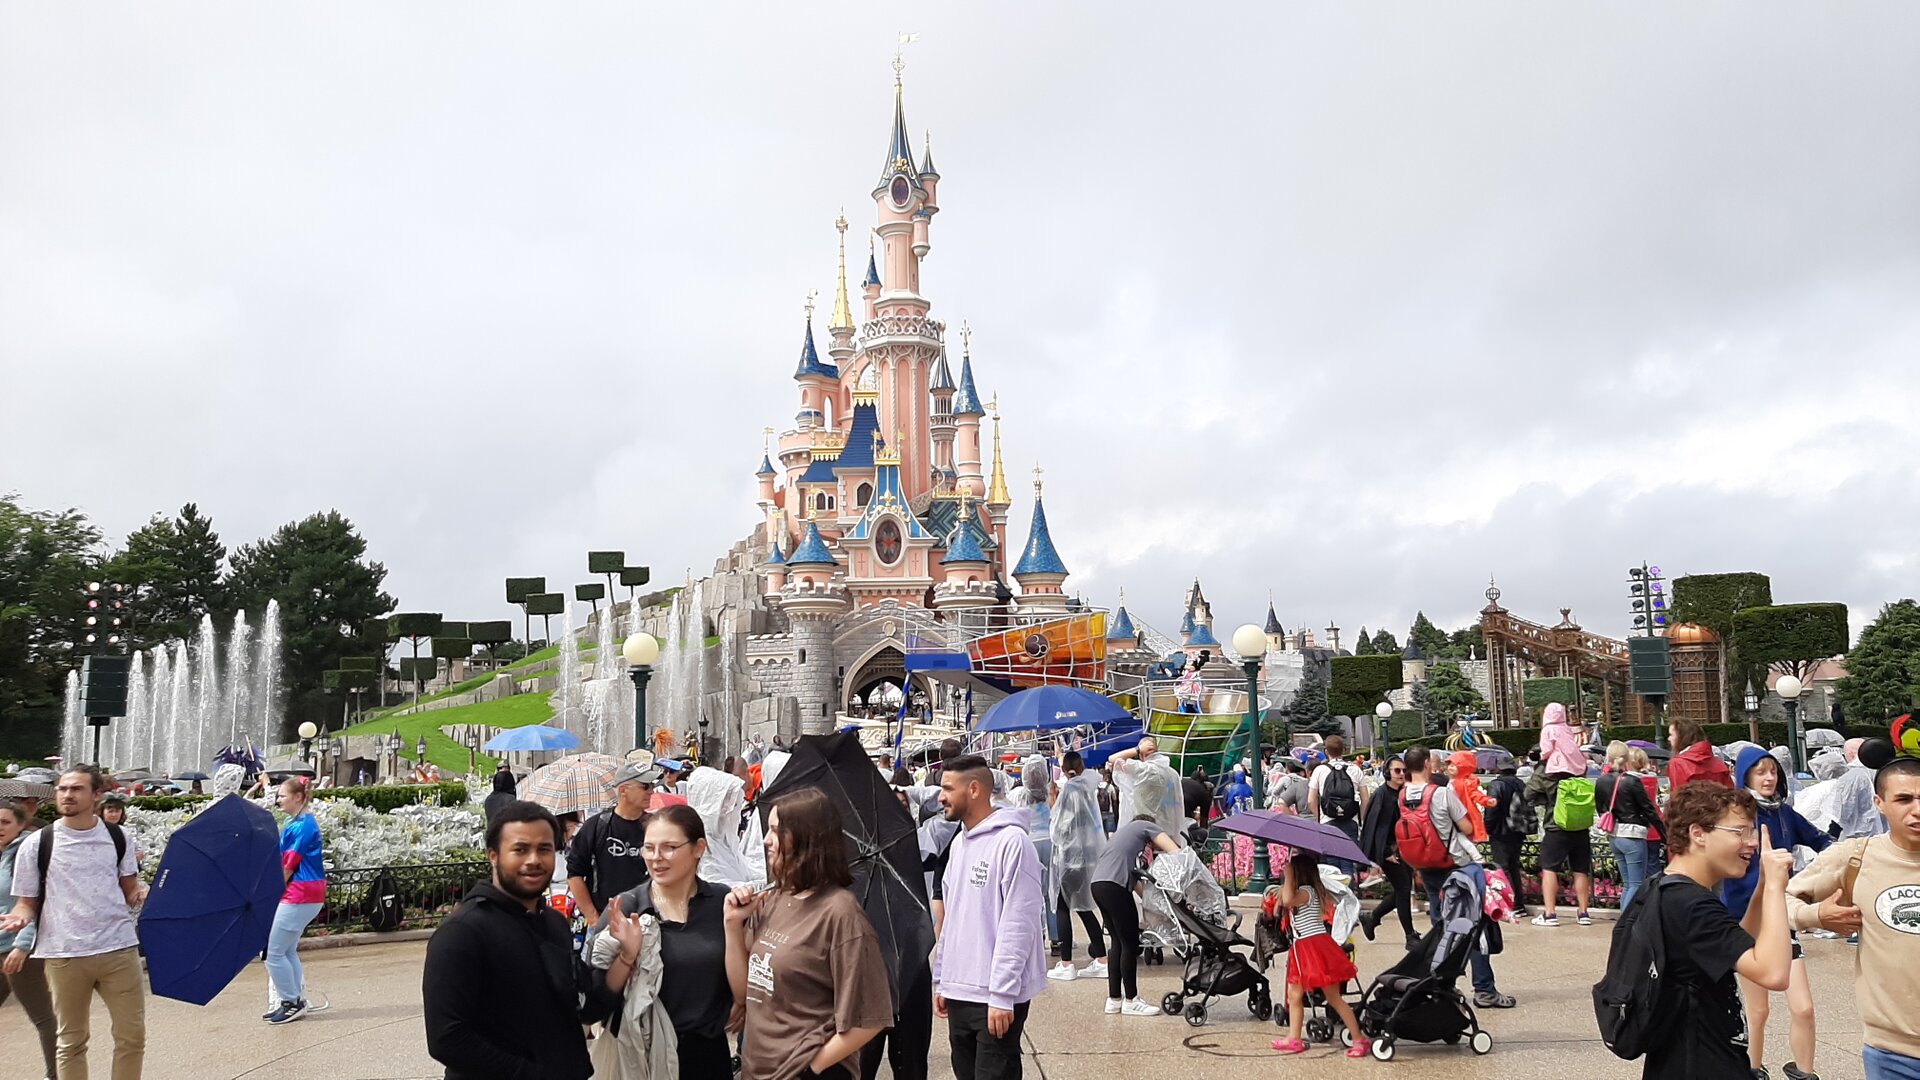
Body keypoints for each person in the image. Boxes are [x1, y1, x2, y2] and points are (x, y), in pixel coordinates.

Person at [725, 787, 892, 1080]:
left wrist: (811, 1068)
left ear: (806, 838)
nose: (766, 840)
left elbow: (870, 1018)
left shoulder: (841, 914)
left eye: (776, 830)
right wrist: (732, 925)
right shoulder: (774, 899)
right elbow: (744, 992)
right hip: (757, 1068)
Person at [423, 799, 592, 1080]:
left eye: (544, 849)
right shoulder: (462, 933)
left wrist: (624, 958)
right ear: (494, 855)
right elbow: (447, 1038)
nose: (533, 860)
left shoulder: (554, 923)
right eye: (520, 849)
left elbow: (574, 1006)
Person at [1639, 782, 1794, 1080]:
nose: (1752, 842)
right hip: (1703, 1063)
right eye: (1739, 832)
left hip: (1676, 1059)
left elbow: (1734, 944)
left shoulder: (1662, 887)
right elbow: (1774, 974)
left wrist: (1762, 886)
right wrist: (1776, 888)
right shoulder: (1692, 905)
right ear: (1698, 834)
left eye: (1752, 831)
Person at [1, 765, 147, 1080]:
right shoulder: (37, 843)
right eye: (63, 789)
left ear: (96, 795)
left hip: (118, 949)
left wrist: (142, 894)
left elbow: (130, 890)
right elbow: (27, 902)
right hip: (64, 953)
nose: (67, 795)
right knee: (70, 1042)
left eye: (76, 789)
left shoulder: (118, 837)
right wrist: (20, 916)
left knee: (132, 1037)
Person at [1785, 757, 1920, 1080]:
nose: (1917, 809)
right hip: (1892, 1054)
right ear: (1879, 803)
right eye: (1904, 799)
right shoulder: (1855, 857)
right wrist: (1816, 915)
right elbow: (1780, 901)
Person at [583, 804, 738, 1080]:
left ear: (698, 848)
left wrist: (740, 1002)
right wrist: (626, 957)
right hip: (643, 1057)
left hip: (708, 1056)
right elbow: (594, 1004)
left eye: (669, 847)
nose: (656, 858)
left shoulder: (721, 902)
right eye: (649, 848)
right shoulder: (627, 908)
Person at [933, 755, 1048, 1080]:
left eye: (947, 788)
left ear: (974, 789)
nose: (940, 797)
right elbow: (952, 919)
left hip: (994, 996)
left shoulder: (1013, 843)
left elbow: (1019, 923)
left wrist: (1002, 995)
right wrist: (942, 979)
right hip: (959, 991)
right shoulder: (959, 845)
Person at [1725, 747, 1829, 1080]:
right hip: (1745, 923)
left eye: (1773, 771)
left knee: (1804, 1007)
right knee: (1758, 1011)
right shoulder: (1734, 817)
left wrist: (1821, 878)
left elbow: (1823, 842)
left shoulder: (1785, 813)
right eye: (1760, 772)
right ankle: (1752, 1071)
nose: (1769, 778)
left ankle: (1805, 1074)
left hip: (1782, 920)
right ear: (1745, 776)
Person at [1400, 748, 1515, 1009]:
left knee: (1442, 927)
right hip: (1455, 865)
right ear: (1427, 763)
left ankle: (1442, 984)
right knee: (1473, 927)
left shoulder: (1403, 795)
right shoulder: (1441, 793)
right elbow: (1466, 826)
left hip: (1426, 865)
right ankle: (1484, 989)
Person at [1269, 852, 1370, 1057]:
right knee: (1295, 995)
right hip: (1307, 947)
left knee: (1333, 998)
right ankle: (1294, 1038)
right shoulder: (1307, 891)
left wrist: (1288, 875)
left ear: (1299, 873)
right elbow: (1282, 904)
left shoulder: (1307, 891)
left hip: (1311, 947)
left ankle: (1359, 1039)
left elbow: (1287, 900)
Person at [1091, 813, 1180, 1016]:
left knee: (1117, 943)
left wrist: (1158, 908)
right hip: (1115, 888)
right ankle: (1131, 1000)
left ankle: (1114, 1000)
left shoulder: (1122, 841)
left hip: (1099, 886)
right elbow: (1176, 852)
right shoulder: (1145, 826)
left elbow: (1139, 887)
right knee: (1130, 944)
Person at [0, 798, 57, 1080]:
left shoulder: (24, 854)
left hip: (19, 950)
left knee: (43, 1018)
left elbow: (35, 901)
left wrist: (23, 945)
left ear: (21, 825)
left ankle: (56, 1075)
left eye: (5, 822)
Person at [265, 775, 327, 1024]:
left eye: (282, 796)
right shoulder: (301, 822)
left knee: (273, 953)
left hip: (299, 893)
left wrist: (270, 893)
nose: (278, 800)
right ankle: (295, 999)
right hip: (306, 893)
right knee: (287, 950)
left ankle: (291, 1001)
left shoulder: (301, 826)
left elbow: (288, 865)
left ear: (298, 797)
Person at [1526, 709, 1595, 927]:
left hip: (1556, 824)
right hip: (1580, 824)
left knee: (1550, 868)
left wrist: (1545, 799)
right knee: (1581, 870)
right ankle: (1583, 913)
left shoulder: (1547, 768)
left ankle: (1550, 914)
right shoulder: (1579, 765)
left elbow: (1528, 794)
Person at [568, 761, 659, 925]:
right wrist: (594, 919)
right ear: (623, 790)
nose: (651, 791)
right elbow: (574, 874)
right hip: (605, 920)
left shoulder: (656, 826)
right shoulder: (596, 826)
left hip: (648, 920)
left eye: (652, 785)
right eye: (645, 786)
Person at [1047, 751, 1107, 983]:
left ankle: (1066, 963)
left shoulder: (1069, 791)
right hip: (1088, 858)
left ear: (1063, 770)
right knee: (1082, 907)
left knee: (1062, 907)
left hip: (1069, 858)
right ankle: (1102, 958)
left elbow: (1059, 829)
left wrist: (1053, 802)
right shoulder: (1088, 788)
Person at [1358, 755, 1418, 948]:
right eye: (1397, 770)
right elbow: (1375, 827)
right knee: (1403, 888)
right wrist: (1385, 853)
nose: (1401, 774)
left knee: (1402, 889)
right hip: (1388, 851)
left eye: (1404, 770)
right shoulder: (1382, 795)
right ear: (1387, 773)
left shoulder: (1403, 792)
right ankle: (1410, 935)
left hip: (1402, 848)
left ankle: (1372, 917)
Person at [1598, 746, 1664, 911]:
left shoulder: (1601, 780)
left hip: (1614, 835)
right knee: (1636, 884)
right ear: (1626, 758)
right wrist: (1665, 835)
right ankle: (1627, 921)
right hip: (1633, 835)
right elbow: (1649, 810)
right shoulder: (1631, 781)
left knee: (1628, 884)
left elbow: (1600, 808)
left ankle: (1624, 918)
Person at [1309, 736, 1370, 879]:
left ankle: (1335, 892)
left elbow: (1311, 800)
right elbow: (1366, 799)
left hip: (1328, 820)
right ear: (1344, 750)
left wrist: (1320, 818)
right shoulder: (1355, 770)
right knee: (1348, 863)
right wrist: (1360, 819)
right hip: (1351, 820)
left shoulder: (1320, 770)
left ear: (1326, 751)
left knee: (1332, 865)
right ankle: (1349, 890)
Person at [1485, 760, 1530, 917]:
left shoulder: (1496, 785)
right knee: (1513, 867)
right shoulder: (1521, 784)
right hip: (1518, 830)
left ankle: (1510, 903)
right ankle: (1518, 904)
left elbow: (1491, 809)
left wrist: (1488, 828)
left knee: (1502, 868)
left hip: (1501, 831)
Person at [1669, 718, 1733, 790]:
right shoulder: (1719, 763)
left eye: (1671, 735)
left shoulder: (1678, 763)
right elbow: (1730, 792)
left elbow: (1678, 794)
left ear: (1682, 737)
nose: (1669, 738)